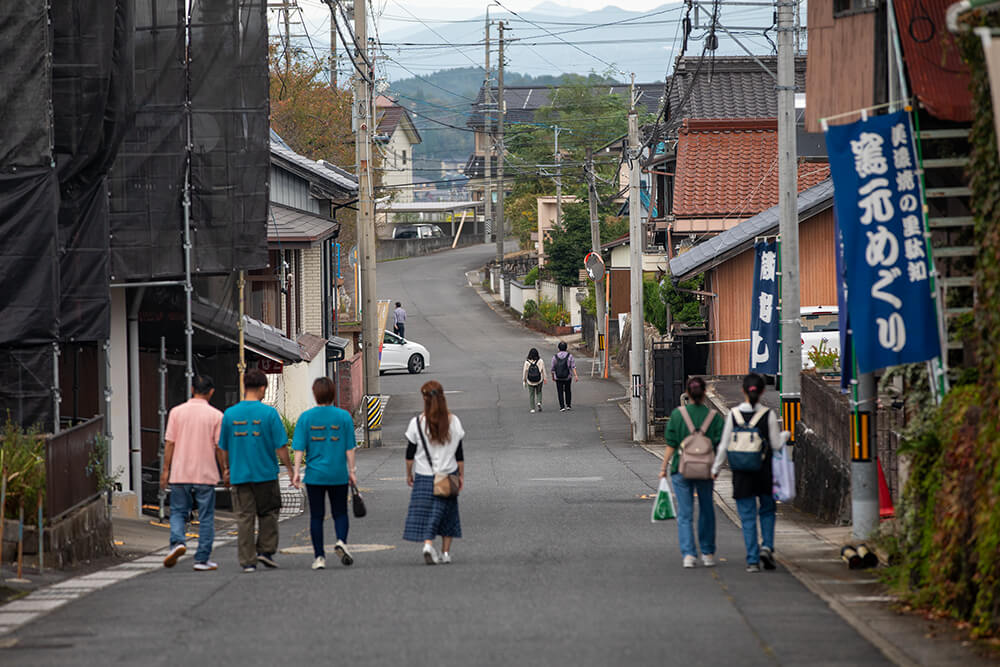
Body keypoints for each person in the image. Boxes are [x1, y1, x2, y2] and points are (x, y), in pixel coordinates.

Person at [218, 369, 295, 573]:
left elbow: (223, 447)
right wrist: (289, 469)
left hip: (240, 475)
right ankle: (266, 551)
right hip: (266, 474)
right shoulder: (269, 414)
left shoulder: (230, 414)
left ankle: (247, 561)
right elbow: (281, 446)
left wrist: (226, 469)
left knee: (244, 517)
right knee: (269, 513)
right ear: (262, 388)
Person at [711, 373, 784, 573]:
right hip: (764, 472)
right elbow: (776, 445)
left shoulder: (733, 415)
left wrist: (715, 470)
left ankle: (752, 559)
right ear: (762, 392)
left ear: (743, 390)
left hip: (741, 473)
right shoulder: (768, 415)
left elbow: (724, 446)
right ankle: (767, 547)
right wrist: (785, 435)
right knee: (767, 510)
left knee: (747, 515)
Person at [160, 375, 226, 571]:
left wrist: (165, 470)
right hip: (205, 473)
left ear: (192, 389)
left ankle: (177, 542)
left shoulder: (176, 412)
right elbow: (219, 447)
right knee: (206, 516)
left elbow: (170, 443)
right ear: (211, 392)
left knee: (178, 512)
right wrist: (225, 470)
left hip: (180, 472)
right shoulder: (216, 416)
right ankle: (202, 559)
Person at [291, 377, 358, 570]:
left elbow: (298, 448)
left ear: (315, 394)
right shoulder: (344, 416)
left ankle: (319, 557)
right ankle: (341, 541)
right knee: (340, 512)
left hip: (315, 475)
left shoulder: (306, 418)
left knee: (316, 516)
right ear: (333, 393)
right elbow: (350, 448)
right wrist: (352, 471)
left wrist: (296, 472)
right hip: (338, 473)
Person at [659, 377, 724, 569]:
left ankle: (688, 555)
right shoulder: (714, 417)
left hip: (681, 468)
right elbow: (720, 446)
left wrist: (663, 468)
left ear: (687, 393)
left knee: (685, 513)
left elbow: (671, 444)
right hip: (705, 470)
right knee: (707, 510)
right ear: (705, 393)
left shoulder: (677, 415)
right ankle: (708, 553)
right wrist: (716, 469)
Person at [403, 380, 465, 565]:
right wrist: (461, 476)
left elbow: (409, 454)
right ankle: (445, 553)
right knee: (448, 515)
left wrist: (409, 474)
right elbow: (459, 454)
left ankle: (428, 544)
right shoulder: (454, 422)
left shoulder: (416, 423)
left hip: (424, 475)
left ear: (424, 399)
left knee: (427, 513)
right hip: (448, 474)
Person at [551, 341, 579, 412]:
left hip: (558, 377)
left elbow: (552, 369)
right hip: (568, 376)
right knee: (568, 390)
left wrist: (553, 377)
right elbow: (573, 366)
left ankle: (562, 407)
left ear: (558, 348)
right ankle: (568, 405)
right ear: (566, 348)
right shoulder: (570, 356)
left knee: (560, 391)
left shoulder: (555, 357)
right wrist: (576, 375)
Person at [522, 347, 547, 413]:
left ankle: (532, 408)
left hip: (530, 380)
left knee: (531, 394)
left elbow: (525, 371)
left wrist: (524, 380)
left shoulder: (527, 362)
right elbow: (543, 370)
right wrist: (545, 378)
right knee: (539, 392)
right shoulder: (540, 361)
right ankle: (539, 402)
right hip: (539, 379)